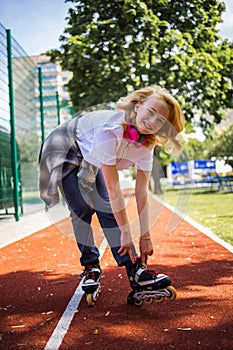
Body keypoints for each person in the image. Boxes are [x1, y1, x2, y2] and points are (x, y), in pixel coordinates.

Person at [38, 86, 184, 302]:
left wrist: (145, 236)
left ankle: (136, 272)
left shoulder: (147, 145)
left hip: (91, 153)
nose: (152, 121)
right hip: (66, 145)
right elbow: (114, 188)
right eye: (151, 111)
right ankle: (90, 265)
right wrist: (125, 231)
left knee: (105, 207)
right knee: (81, 208)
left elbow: (142, 191)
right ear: (138, 106)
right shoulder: (111, 130)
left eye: (160, 120)